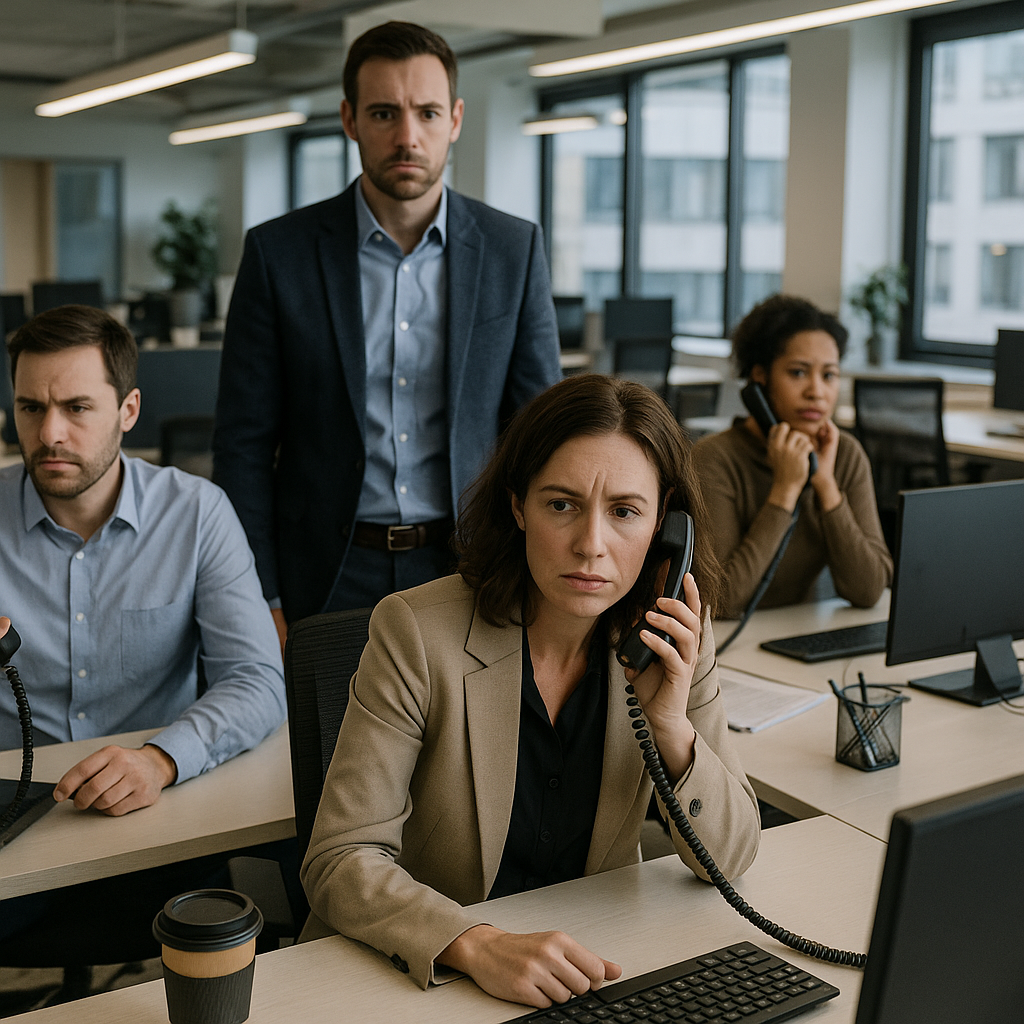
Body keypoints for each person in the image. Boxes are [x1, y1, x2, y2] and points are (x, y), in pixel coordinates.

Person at [300, 374, 760, 1008]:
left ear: (664, 524)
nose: (591, 545)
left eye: (625, 511)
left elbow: (730, 858)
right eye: (561, 504)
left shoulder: (674, 632)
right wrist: (474, 942)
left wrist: (672, 730)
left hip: (588, 971)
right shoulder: (415, 631)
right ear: (518, 506)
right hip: (426, 980)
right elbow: (340, 858)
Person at [213, 20, 562, 648]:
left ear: (455, 119)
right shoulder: (278, 254)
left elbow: (541, 434)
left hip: (470, 564)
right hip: (325, 573)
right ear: (349, 119)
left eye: (427, 113)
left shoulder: (514, 249)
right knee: (325, 747)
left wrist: (538, 571)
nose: (407, 136)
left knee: (465, 746)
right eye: (383, 113)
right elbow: (242, 444)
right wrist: (257, 593)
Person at [0, 305, 285, 815]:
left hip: (154, 809)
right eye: (30, 408)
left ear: (128, 411)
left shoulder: (196, 513)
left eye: (77, 408)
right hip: (13, 805)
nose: (49, 435)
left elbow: (256, 679)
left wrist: (162, 760)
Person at [691, 294, 892, 619]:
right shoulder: (714, 458)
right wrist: (783, 492)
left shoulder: (844, 455)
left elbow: (869, 590)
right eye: (798, 373)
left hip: (797, 635)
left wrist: (825, 485)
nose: (816, 391)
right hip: (728, 651)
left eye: (829, 376)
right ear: (760, 376)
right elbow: (720, 601)